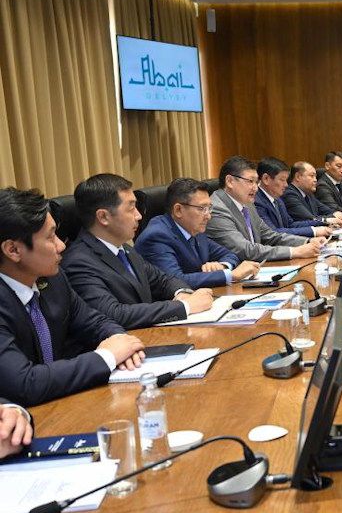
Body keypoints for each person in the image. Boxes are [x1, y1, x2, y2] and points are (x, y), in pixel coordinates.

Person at [0, 187, 145, 406]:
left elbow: (94, 321)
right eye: (50, 237)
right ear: (13, 250)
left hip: (62, 404)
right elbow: (25, 383)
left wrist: (120, 341)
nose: (61, 246)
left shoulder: (54, 280)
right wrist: (107, 357)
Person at [62, 174, 214, 330]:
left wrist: (181, 292)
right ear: (103, 217)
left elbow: (163, 280)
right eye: (131, 208)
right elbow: (113, 314)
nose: (139, 215)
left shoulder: (124, 249)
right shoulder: (78, 262)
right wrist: (185, 306)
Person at [135, 178, 261, 289]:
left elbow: (229, 254)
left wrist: (222, 266)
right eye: (202, 208)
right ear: (178, 210)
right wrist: (230, 275)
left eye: (209, 208)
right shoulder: (157, 236)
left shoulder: (194, 228)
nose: (208, 216)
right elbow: (175, 280)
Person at [206, 155, 325, 262]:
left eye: (256, 182)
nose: (255, 188)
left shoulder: (247, 204)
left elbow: (270, 236)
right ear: (230, 181)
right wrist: (294, 251)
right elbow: (245, 250)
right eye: (250, 181)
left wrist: (307, 241)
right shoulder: (216, 209)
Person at [255, 157, 336, 237]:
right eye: (282, 180)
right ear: (266, 179)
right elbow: (272, 232)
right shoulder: (257, 202)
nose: (286, 185)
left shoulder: (277, 199)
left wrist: (322, 224)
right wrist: (313, 231)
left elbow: (290, 224)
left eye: (286, 180)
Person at [282, 161, 342, 227]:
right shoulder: (289, 194)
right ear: (298, 177)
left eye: (315, 176)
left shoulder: (308, 194)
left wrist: (334, 214)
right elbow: (309, 219)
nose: (315, 180)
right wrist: (332, 217)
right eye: (312, 176)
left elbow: (328, 211)